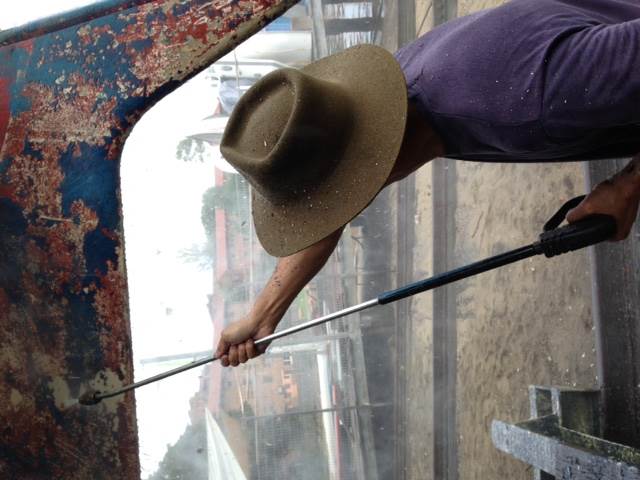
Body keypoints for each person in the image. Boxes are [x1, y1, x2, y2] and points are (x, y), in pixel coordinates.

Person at [215, 0, 640, 367]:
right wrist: (265, 313)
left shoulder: (530, 95)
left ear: (365, 171)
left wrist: (629, 183)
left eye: (336, 201)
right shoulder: (395, 92)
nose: (342, 210)